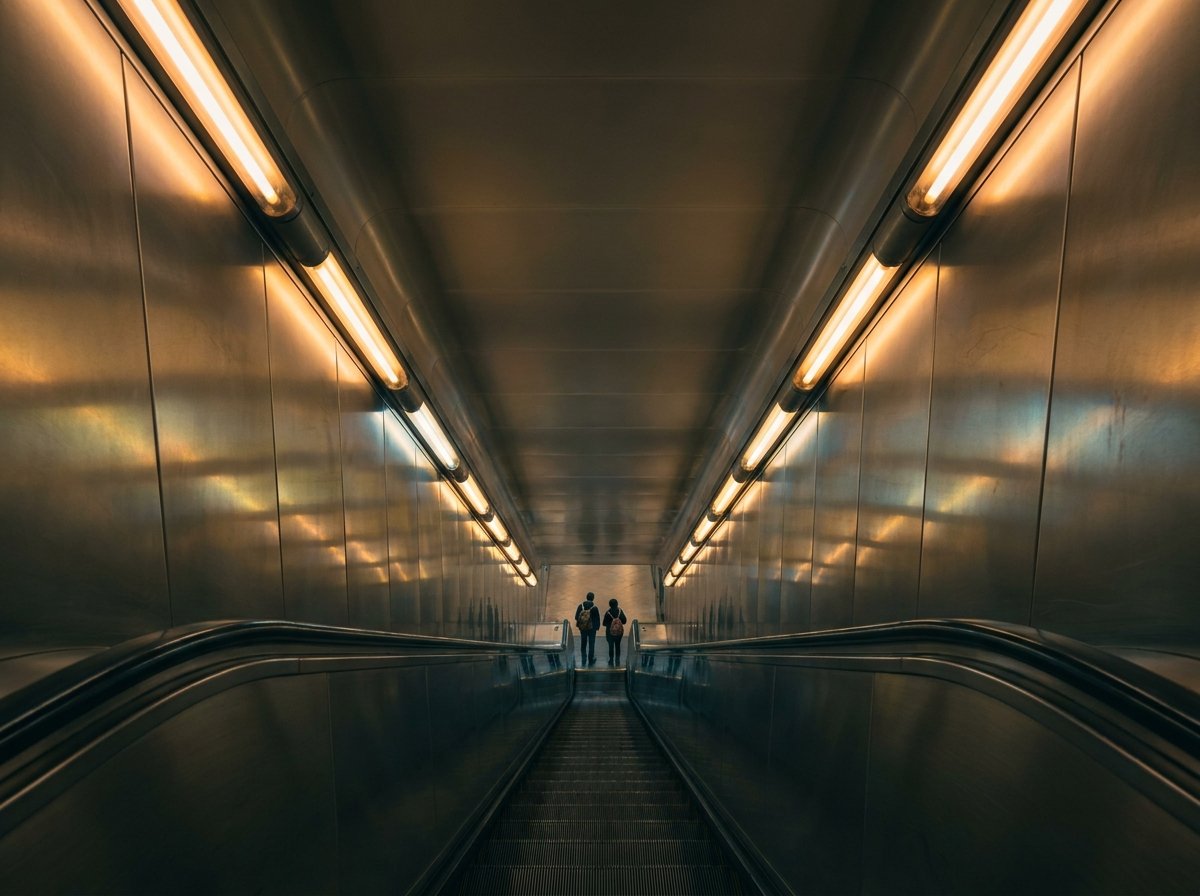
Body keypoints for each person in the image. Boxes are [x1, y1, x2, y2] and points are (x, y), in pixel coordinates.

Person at [575, 592, 600, 666]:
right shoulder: (594, 608)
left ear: (586, 597)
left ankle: (583, 659)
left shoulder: (581, 606)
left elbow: (576, 617)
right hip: (592, 629)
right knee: (591, 644)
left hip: (583, 628)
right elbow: (597, 619)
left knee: (583, 643)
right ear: (593, 598)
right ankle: (590, 660)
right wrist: (596, 628)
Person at [603, 598, 627, 666]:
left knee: (611, 646)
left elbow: (604, 623)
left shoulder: (608, 613)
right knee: (618, 645)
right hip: (619, 633)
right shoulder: (620, 611)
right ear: (617, 604)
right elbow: (624, 621)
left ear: (609, 605)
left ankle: (611, 659)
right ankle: (617, 659)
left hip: (610, 633)